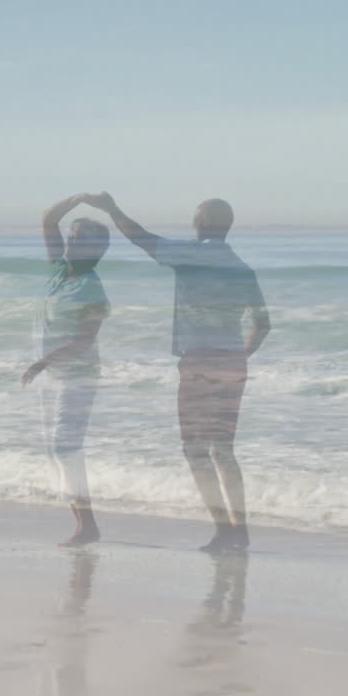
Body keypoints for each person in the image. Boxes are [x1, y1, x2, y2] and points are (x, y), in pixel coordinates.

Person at [84, 193, 270, 552]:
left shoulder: (191, 255)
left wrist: (111, 209)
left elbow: (140, 238)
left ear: (198, 224)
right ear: (227, 227)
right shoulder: (243, 267)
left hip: (199, 360)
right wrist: (237, 354)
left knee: (195, 449)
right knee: (225, 449)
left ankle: (222, 530)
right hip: (232, 361)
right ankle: (240, 530)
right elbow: (263, 323)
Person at [23, 194, 112, 547]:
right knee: (56, 448)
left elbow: (84, 340)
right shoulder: (59, 270)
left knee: (65, 447)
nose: (70, 242)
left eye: (79, 239)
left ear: (94, 250)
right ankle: (81, 521)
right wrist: (78, 199)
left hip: (78, 376)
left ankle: (87, 526)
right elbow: (48, 219)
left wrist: (42, 361)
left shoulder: (91, 287)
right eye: (71, 236)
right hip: (55, 376)